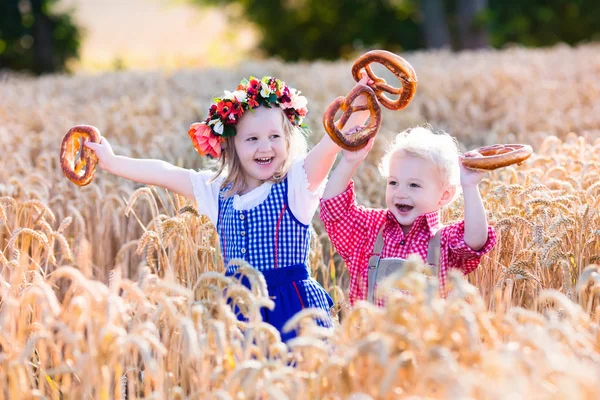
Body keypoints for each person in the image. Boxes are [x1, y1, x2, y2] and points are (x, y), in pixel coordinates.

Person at [84, 74, 372, 341]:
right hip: (239, 313)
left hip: (294, 311)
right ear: (230, 146)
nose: (265, 147)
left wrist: (363, 99)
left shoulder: (297, 185)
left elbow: (332, 141)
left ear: (288, 140)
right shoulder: (218, 193)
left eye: (275, 137)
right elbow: (165, 172)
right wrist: (112, 162)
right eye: (252, 139)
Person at [319, 126, 497, 305]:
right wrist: (349, 161)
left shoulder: (445, 241)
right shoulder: (370, 229)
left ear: (445, 195)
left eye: (414, 185)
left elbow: (476, 240)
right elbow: (335, 210)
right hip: (369, 332)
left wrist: (470, 186)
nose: (400, 193)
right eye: (393, 182)